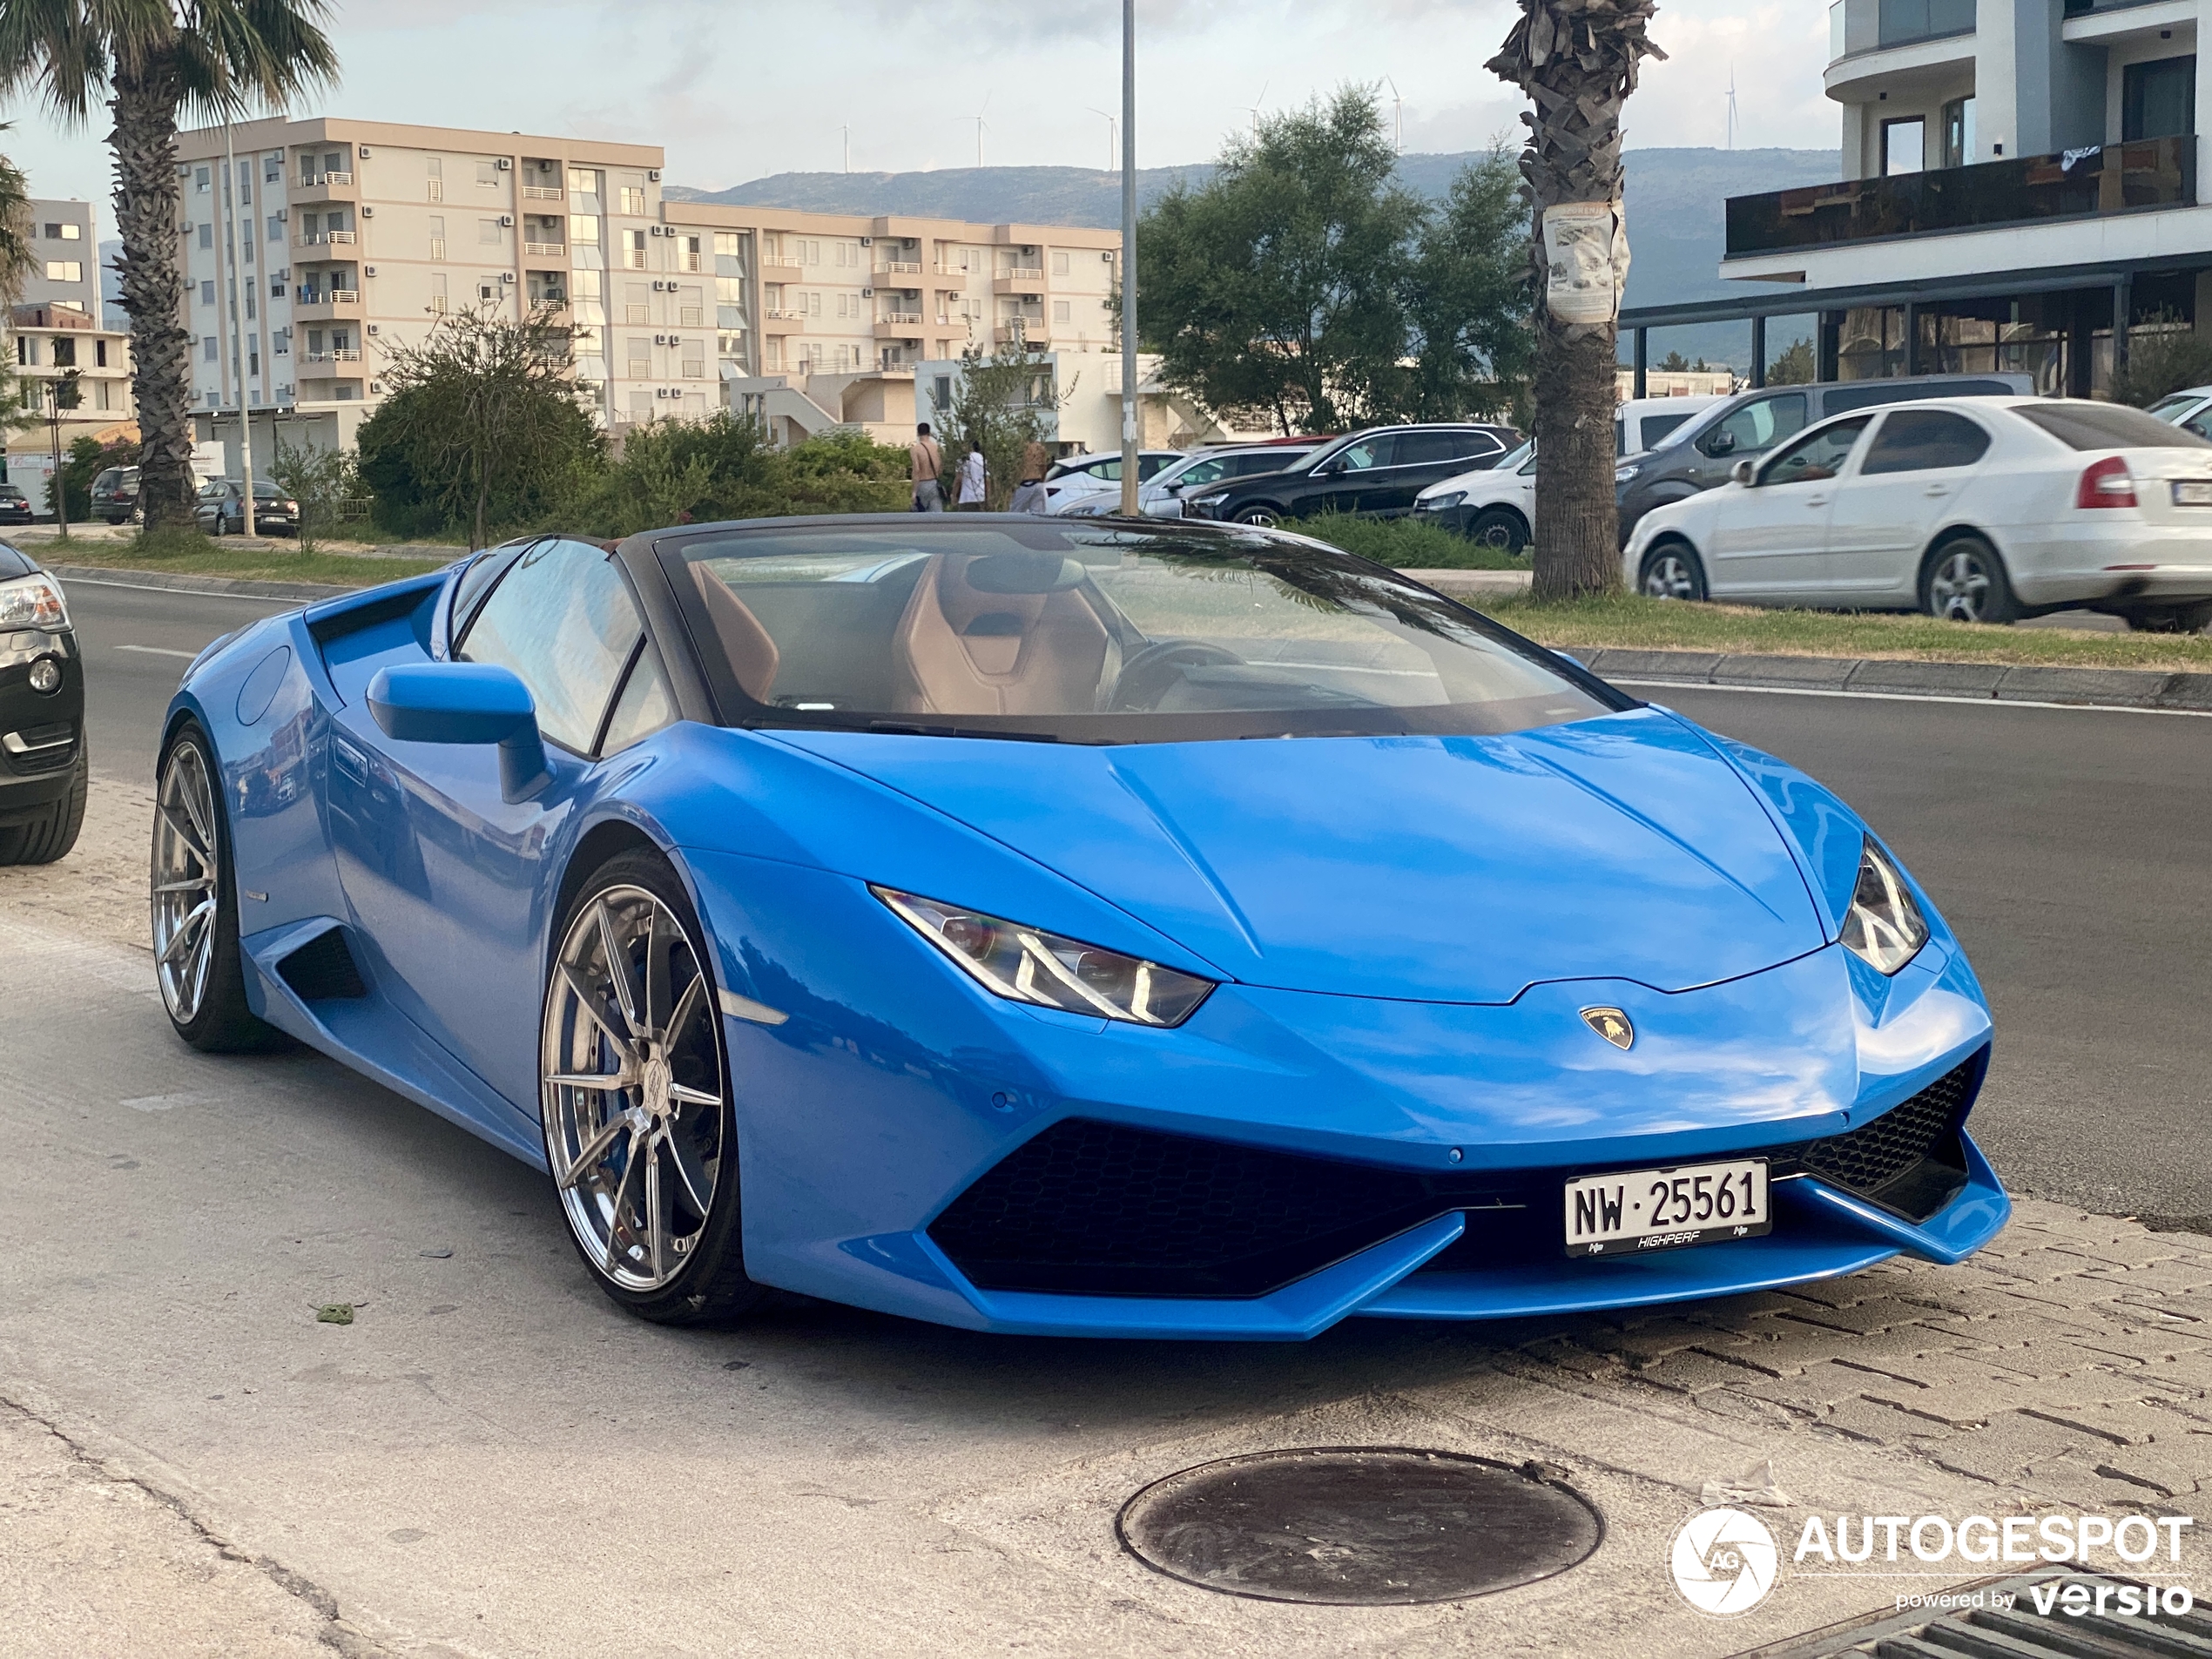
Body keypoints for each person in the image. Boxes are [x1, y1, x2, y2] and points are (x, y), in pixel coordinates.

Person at [909, 423, 944, 512]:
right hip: (935, 483)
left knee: (921, 514)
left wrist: (914, 491)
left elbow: (916, 470)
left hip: (922, 483)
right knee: (937, 515)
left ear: (918, 433)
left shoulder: (915, 449)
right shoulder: (936, 448)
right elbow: (940, 467)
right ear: (929, 433)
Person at [956, 445, 988, 510]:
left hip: (966, 498)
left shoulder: (962, 460)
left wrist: (954, 495)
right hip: (981, 497)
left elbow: (958, 479)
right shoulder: (982, 459)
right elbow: (987, 479)